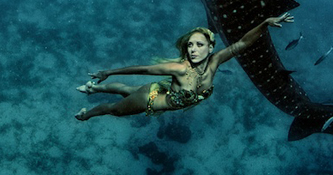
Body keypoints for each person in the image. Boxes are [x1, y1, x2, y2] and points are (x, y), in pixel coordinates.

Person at [74, 12, 294, 121]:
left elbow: (243, 43)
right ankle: (87, 114)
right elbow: (142, 70)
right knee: (114, 109)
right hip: (150, 99)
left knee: (126, 91)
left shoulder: (215, 61)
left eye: (200, 45)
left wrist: (264, 23)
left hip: (163, 92)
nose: (193, 50)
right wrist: (108, 71)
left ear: (210, 47)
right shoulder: (179, 68)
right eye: (190, 45)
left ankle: (95, 88)